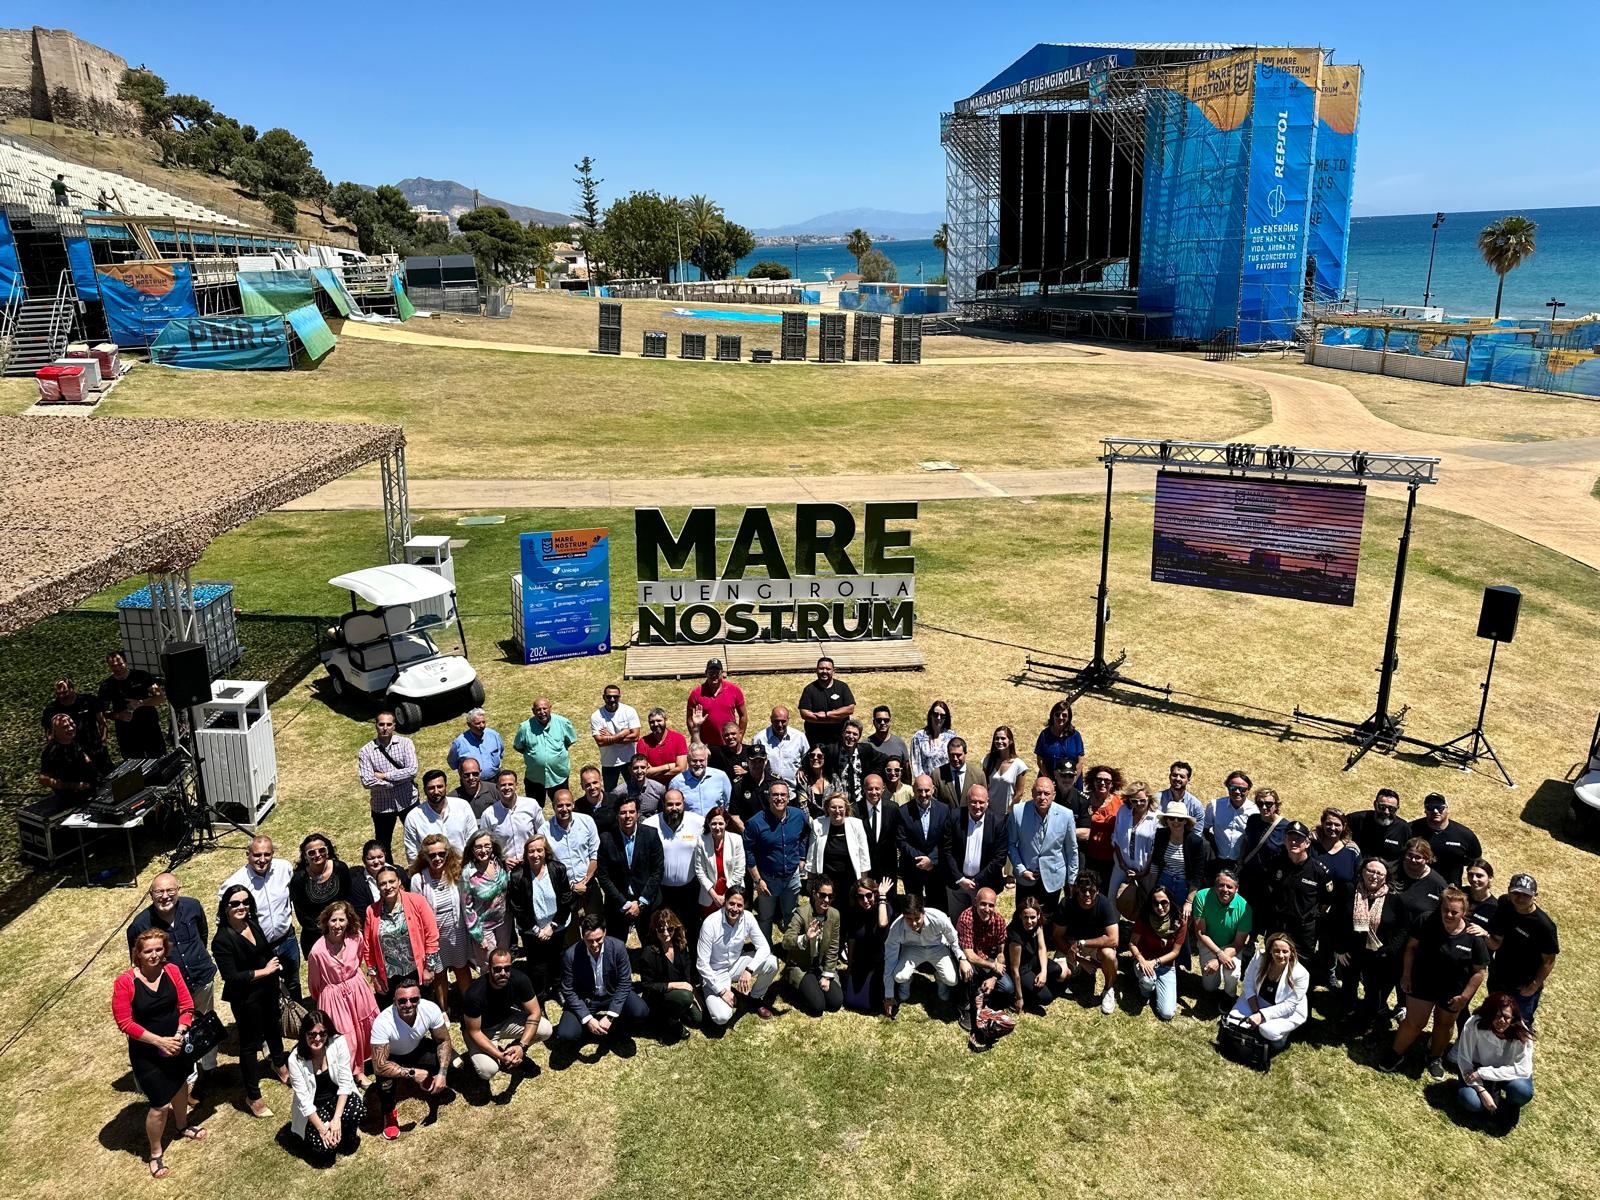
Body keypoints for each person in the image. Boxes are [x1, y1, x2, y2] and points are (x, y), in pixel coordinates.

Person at [112, 930, 203, 1178]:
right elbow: (125, 1022)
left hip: (175, 1043)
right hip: (147, 1053)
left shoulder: (171, 970)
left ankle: (182, 1125)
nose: (154, 955)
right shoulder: (125, 982)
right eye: (148, 951)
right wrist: (159, 1041)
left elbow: (186, 1006)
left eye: (158, 949)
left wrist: (180, 1032)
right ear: (138, 954)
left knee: (181, 1084)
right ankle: (155, 1153)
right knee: (160, 1104)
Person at [1383, 886, 1490, 1078]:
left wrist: (1464, 997)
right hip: (1422, 983)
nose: (1448, 915)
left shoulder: (1473, 937)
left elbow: (1479, 972)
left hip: (1452, 991)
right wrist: (1406, 975)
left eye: (1454, 912)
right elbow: (1411, 948)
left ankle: (1435, 1057)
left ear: (1464, 912)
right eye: (1445, 910)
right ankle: (1395, 1053)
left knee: (1444, 1025)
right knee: (1414, 1022)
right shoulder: (1426, 920)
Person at [127, 874, 218, 1084]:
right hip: (172, 990)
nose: (165, 896)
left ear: (178, 890)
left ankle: (210, 1068)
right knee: (180, 1031)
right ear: (151, 894)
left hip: (201, 977)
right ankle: (189, 1080)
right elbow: (138, 959)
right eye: (159, 891)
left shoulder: (193, 907)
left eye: (170, 890)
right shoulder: (140, 925)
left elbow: (202, 934)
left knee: (206, 1024)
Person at [211, 886, 288, 1119]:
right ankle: (253, 1096)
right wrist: (265, 971)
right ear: (225, 908)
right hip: (245, 998)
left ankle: (279, 1065)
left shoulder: (252, 924)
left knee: (273, 1028)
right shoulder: (222, 940)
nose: (241, 907)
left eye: (245, 902)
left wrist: (275, 972)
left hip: (268, 990)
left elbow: (265, 952)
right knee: (249, 1044)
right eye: (235, 903)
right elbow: (232, 976)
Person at [1332, 857, 1410, 1036]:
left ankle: (1368, 1022)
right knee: (1349, 985)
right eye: (1370, 871)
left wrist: (1390, 950)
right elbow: (1335, 919)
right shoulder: (1349, 891)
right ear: (1362, 872)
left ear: (1386, 877)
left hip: (1378, 955)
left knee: (1373, 991)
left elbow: (1404, 928)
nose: (1374, 876)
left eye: (1379, 873)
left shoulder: (1394, 899)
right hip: (1351, 952)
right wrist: (1339, 948)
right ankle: (1347, 1015)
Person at [369, 976, 452, 1139]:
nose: (408, 1004)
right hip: (392, 1057)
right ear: (394, 1001)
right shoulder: (383, 1022)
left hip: (418, 1049)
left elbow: (444, 1041)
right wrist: (413, 1073)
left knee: (450, 1063)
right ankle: (389, 1113)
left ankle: (432, 1081)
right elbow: (379, 1065)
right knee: (384, 1082)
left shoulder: (430, 1008)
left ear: (419, 998)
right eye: (402, 1001)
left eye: (414, 999)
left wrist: (442, 1073)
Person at [555, 915, 651, 1054]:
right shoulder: (571, 955)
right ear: (582, 937)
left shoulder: (618, 947)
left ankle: (617, 1026)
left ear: (605, 933)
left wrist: (611, 1015)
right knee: (566, 1033)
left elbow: (625, 982)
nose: (594, 945)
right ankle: (589, 1029)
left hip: (613, 994)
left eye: (599, 939)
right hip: (586, 999)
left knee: (640, 1011)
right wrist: (588, 1019)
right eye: (590, 941)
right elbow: (568, 990)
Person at [306, 900, 378, 1087]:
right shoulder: (317, 952)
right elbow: (314, 983)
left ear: (348, 921)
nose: (337, 925)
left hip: (357, 989)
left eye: (341, 920)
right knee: (346, 1037)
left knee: (365, 1028)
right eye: (333, 920)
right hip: (334, 997)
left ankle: (370, 1061)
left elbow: (359, 959)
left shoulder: (356, 938)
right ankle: (355, 1072)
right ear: (326, 922)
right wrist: (326, 998)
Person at [219, 836, 301, 999]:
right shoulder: (235, 883)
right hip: (260, 949)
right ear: (248, 854)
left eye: (267, 854)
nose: (262, 860)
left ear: (273, 853)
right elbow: (224, 919)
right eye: (257, 855)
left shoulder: (284, 868)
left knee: (293, 983)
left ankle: (297, 1014)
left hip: (287, 940)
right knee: (267, 990)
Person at [461, 948, 551, 1089]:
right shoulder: (474, 994)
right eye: (497, 969)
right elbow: (474, 1032)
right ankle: (497, 1055)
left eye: (507, 968)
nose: (503, 973)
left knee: (545, 1029)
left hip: (506, 1021)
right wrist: (500, 1056)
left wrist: (521, 1046)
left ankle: (514, 1051)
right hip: (482, 1031)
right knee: (488, 1070)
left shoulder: (520, 979)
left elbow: (535, 1012)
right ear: (489, 969)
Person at [286, 1010, 364, 1162]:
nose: (317, 1038)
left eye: (322, 1033)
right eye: (312, 1034)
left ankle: (346, 1136)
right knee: (324, 1150)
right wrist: (323, 1130)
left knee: (355, 1109)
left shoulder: (338, 1043)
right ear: (304, 1034)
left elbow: (345, 1083)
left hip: (338, 1100)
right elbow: (305, 1102)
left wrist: (336, 1119)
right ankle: (329, 1138)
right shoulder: (294, 1060)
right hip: (315, 1108)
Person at [1259, 820, 1334, 977]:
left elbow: (1325, 902)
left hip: (1302, 930)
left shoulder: (1318, 872)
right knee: (1273, 963)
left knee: (1300, 969)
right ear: (1284, 840)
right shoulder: (1276, 864)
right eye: (1290, 838)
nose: (1294, 842)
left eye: (1299, 839)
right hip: (1277, 925)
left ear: (1307, 843)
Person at [360, 864, 440, 1005]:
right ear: (378, 886)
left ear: (399, 882)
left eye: (391, 881)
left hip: (417, 970)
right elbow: (368, 948)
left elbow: (431, 935)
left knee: (422, 1008)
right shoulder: (371, 911)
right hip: (390, 975)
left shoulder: (417, 901)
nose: (388, 886)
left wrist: (429, 968)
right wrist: (375, 977)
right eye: (383, 883)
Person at [409, 834, 473, 1012]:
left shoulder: (456, 872)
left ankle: (470, 1006)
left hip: (456, 930)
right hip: (434, 937)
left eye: (441, 854)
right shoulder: (418, 880)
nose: (437, 858)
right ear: (425, 857)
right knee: (439, 973)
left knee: (462, 969)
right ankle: (444, 1010)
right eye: (432, 855)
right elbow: (417, 913)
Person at [1486, 874, 1558, 1027]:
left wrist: (1534, 985)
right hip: (1498, 978)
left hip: (1522, 988)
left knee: (1519, 1025)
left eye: (1526, 894)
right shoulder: (1504, 903)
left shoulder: (1544, 926)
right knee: (1494, 1017)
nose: (1520, 898)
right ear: (1509, 891)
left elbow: (1549, 960)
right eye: (1516, 893)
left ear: (1535, 896)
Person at [1224, 931, 1311, 1057]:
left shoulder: (1301, 974)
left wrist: (1262, 1015)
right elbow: (1248, 983)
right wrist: (1255, 1011)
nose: (1281, 955)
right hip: (1257, 1001)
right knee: (1232, 1020)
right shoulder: (1259, 958)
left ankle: (1282, 1037)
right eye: (1276, 951)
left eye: (1285, 951)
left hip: (1284, 1010)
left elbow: (1290, 1005)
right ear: (1270, 950)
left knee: (1267, 1031)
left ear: (1291, 952)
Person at [1454, 993, 1535, 1127]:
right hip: (1475, 1069)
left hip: (1506, 1072)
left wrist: (1483, 1073)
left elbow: (1523, 1070)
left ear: (1513, 1018)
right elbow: (1464, 1060)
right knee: (1471, 1102)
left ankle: (1510, 1106)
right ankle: (1485, 1103)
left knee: (1522, 1091)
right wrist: (1481, 1090)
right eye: (1497, 1016)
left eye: (1507, 1017)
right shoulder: (1474, 1024)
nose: (1501, 1021)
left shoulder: (1522, 1034)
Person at [883, 894, 969, 1017]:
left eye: (917, 918)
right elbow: (890, 960)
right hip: (912, 949)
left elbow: (953, 940)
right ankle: (907, 981)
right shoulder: (896, 928)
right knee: (899, 976)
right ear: (903, 915)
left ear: (923, 912)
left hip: (937, 947)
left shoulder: (939, 917)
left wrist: (962, 958)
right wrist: (889, 995)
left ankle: (939, 978)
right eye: (909, 919)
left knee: (952, 980)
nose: (914, 923)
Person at [745, 780, 809, 941]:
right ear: (769, 798)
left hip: (792, 877)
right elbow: (748, 852)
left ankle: (790, 947)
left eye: (783, 795)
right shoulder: (755, 823)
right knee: (765, 918)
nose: (779, 798)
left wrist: (802, 856)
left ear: (788, 797)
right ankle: (766, 950)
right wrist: (757, 880)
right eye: (775, 795)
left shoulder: (798, 816)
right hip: (767, 880)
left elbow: (805, 835)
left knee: (791, 914)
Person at [1050, 874, 1121, 1015]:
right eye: (1083, 890)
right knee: (1060, 975)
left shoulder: (1104, 904)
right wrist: (1080, 960)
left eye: (1091, 890)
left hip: (1094, 945)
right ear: (1077, 889)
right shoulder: (1066, 904)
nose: (1087, 894)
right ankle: (1076, 968)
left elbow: (1114, 939)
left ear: (1097, 891)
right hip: (1070, 945)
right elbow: (1057, 936)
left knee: (1110, 955)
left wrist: (1082, 943)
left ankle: (1108, 989)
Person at [288, 832, 362, 957]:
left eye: (321, 850)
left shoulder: (340, 869)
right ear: (305, 856)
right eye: (311, 852)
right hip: (315, 938)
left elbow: (349, 900)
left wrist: (342, 927)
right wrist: (326, 933)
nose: (317, 855)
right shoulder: (299, 880)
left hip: (342, 931)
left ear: (328, 851)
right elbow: (303, 915)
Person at [357, 711, 418, 860]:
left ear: (394, 726)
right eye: (381, 724)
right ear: (376, 726)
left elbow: (412, 770)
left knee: (418, 838)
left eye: (389, 724)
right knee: (383, 845)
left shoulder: (406, 743)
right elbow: (367, 781)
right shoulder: (366, 751)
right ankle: (388, 872)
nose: (385, 728)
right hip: (382, 806)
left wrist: (385, 776)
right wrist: (398, 781)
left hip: (408, 800)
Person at [943, 784, 1008, 922]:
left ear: (987, 802)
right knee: (957, 922)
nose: (977, 806)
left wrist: (976, 880)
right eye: (973, 801)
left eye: (981, 802)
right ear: (967, 801)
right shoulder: (954, 816)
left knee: (982, 923)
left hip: (984, 884)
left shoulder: (998, 822)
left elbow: (999, 858)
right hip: (957, 884)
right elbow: (947, 850)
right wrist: (960, 879)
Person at [1187, 870, 1253, 1004]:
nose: (1225, 890)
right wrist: (1219, 953)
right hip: (1208, 943)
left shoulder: (1245, 908)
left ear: (1236, 889)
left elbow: (1239, 943)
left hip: (1231, 946)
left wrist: (1219, 959)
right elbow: (1200, 933)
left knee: (1233, 974)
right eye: (1221, 885)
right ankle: (1215, 979)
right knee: (1209, 987)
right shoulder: (1202, 896)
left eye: (1230, 887)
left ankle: (1229, 996)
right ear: (1215, 886)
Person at [645, 788, 705, 935]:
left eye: (678, 804)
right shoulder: (650, 825)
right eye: (670, 804)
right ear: (663, 805)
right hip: (661, 891)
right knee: (664, 930)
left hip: (690, 889)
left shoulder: (698, 823)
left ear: (684, 804)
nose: (674, 808)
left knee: (692, 930)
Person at [637, 908, 702, 1041]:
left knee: (697, 1019)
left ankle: (678, 1009)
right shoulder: (648, 953)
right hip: (659, 996)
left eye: (670, 929)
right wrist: (677, 986)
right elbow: (647, 986)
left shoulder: (680, 945)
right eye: (661, 929)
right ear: (655, 930)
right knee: (685, 997)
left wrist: (694, 994)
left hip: (680, 992)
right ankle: (668, 1020)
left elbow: (687, 974)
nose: (666, 933)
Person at [783, 879, 844, 1016]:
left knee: (835, 1002)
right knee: (818, 1006)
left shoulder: (834, 915)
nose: (826, 900)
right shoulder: (801, 913)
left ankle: (813, 986)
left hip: (820, 966)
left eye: (830, 896)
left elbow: (833, 947)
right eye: (823, 895)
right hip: (802, 966)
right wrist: (805, 938)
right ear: (814, 894)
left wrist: (827, 975)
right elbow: (786, 942)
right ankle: (795, 986)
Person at [1129, 886, 1188, 1021]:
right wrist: (1141, 960)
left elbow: (1175, 952)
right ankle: (1145, 992)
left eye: (1164, 902)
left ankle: (1154, 986)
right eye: (1155, 903)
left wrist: (1155, 962)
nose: (1160, 907)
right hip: (1144, 960)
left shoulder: (1180, 921)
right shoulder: (1144, 917)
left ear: (1170, 901)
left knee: (1167, 1013)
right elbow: (1132, 943)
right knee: (1147, 981)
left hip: (1166, 966)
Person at [957, 887, 1009, 1030]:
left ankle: (985, 998)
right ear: (975, 902)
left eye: (991, 905)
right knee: (968, 972)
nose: (987, 909)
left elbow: (1001, 954)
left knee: (1008, 988)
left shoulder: (999, 921)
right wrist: (993, 966)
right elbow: (970, 955)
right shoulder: (966, 918)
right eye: (983, 904)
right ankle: (965, 1006)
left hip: (987, 958)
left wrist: (993, 978)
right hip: (969, 959)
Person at [98, 650, 167, 760]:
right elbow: (102, 713)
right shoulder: (106, 686)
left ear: (126, 662)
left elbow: (160, 698)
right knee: (134, 764)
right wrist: (118, 715)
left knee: (159, 760)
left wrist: (141, 703)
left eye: (120, 664)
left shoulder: (142, 676)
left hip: (150, 727)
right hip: (126, 732)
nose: (117, 669)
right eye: (113, 666)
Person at [1003, 893, 1065, 1013]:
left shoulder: (1038, 924)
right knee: (1047, 998)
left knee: (1057, 970)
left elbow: (1042, 948)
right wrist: (1019, 997)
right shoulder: (1015, 937)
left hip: (1032, 959)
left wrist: (1043, 972)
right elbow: (1014, 969)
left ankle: (1036, 983)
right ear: (1020, 916)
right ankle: (1024, 995)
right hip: (1021, 968)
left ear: (1038, 915)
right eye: (1025, 917)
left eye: (1032, 917)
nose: (1029, 921)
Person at [460, 831, 512, 971]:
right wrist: (478, 936)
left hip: (504, 922)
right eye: (478, 847)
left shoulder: (499, 863)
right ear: (472, 849)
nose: (483, 850)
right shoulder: (468, 874)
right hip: (484, 927)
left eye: (487, 845)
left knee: (504, 961)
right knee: (489, 965)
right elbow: (467, 909)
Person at [807, 790, 871, 903]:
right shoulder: (818, 824)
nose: (837, 811)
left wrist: (863, 880)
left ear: (846, 809)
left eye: (840, 807)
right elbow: (812, 855)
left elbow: (864, 855)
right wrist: (810, 880)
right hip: (826, 881)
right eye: (833, 807)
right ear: (827, 809)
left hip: (850, 879)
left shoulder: (856, 824)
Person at [897, 773, 952, 904]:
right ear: (913, 790)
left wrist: (932, 860)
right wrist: (921, 858)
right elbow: (901, 840)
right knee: (913, 906)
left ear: (933, 789)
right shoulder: (903, 811)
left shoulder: (944, 810)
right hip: (912, 867)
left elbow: (947, 839)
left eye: (927, 790)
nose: (923, 794)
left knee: (936, 905)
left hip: (936, 868)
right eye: (919, 790)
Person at [840, 875, 892, 1013]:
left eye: (869, 895)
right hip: (862, 960)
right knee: (850, 1001)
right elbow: (851, 939)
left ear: (875, 894)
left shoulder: (884, 907)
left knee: (870, 1004)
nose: (865, 900)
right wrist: (850, 964)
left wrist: (882, 896)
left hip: (880, 962)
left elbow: (882, 923)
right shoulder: (854, 912)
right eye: (860, 897)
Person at [547, 786, 601, 917]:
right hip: (564, 890)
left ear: (573, 804)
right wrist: (572, 887)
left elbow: (595, 855)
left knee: (596, 924)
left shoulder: (587, 821)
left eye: (568, 805)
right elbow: (548, 864)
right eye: (560, 805)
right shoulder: (545, 830)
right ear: (553, 806)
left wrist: (584, 882)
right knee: (570, 928)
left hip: (588, 883)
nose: (564, 809)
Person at [403, 769, 478, 861]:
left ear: (446, 787)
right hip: (432, 868)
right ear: (424, 790)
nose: (436, 791)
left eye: (440, 787)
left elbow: (473, 839)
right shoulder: (413, 817)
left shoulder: (462, 806)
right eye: (431, 788)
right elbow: (412, 853)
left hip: (463, 864)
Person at [513, 697, 577, 804]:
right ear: (533, 711)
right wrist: (534, 756)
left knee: (562, 806)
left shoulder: (563, 723)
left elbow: (569, 741)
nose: (542, 712)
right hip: (534, 779)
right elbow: (518, 746)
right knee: (534, 808)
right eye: (538, 710)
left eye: (544, 708)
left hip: (558, 777)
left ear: (550, 708)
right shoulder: (524, 728)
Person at [1409, 793, 1482, 886]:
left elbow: (1476, 863)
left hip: (1449, 889)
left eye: (1440, 808)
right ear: (1425, 810)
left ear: (1447, 809)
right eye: (1430, 807)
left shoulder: (1465, 835)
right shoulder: (1410, 830)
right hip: (1415, 886)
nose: (1435, 811)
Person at [477, 768, 545, 867]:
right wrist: (502, 859)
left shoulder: (531, 805)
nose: (507, 787)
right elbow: (484, 844)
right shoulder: (488, 814)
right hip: (505, 867)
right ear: (497, 787)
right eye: (503, 785)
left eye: (510, 784)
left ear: (516, 785)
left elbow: (543, 834)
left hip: (531, 864)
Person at [41, 677, 109, 773]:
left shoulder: (88, 700)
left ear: (72, 689)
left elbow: (102, 722)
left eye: (65, 692)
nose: (62, 696)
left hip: (96, 748)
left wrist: (103, 742)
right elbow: (49, 736)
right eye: (58, 693)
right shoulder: (51, 710)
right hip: (73, 754)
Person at [1150, 800, 1206, 909]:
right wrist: (1151, 889)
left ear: (1185, 821)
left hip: (1184, 885)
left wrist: (1189, 901)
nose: (1176, 821)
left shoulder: (1195, 841)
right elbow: (1155, 863)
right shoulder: (1161, 835)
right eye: (1172, 818)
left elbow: (1197, 874)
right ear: (1167, 820)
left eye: (1180, 819)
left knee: (1181, 915)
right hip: (1163, 881)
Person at [1108, 782, 1158, 902]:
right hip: (1121, 868)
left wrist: (1144, 872)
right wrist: (1122, 865)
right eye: (1134, 801)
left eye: (1142, 800)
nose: (1138, 804)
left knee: (1144, 904)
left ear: (1149, 798)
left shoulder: (1157, 818)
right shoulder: (1123, 811)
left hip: (1146, 872)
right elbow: (1116, 839)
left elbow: (1156, 849)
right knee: (1113, 900)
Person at [693, 805, 746, 917]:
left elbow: (739, 871)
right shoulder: (701, 841)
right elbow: (700, 871)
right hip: (710, 894)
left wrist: (726, 896)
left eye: (720, 823)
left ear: (726, 823)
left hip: (732, 893)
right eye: (714, 824)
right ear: (708, 823)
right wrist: (714, 895)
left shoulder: (736, 840)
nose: (717, 827)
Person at [1077, 765, 1124, 889]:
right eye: (1099, 780)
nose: (1102, 783)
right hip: (1087, 857)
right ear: (1093, 781)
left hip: (1111, 858)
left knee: (1106, 892)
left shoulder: (1120, 802)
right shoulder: (1083, 800)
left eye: (1107, 781)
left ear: (1112, 784)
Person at [824, 718, 885, 808]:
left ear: (859, 737)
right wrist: (803, 768)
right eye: (848, 732)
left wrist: (873, 775)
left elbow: (883, 759)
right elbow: (814, 755)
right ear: (843, 733)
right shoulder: (832, 750)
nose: (851, 736)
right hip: (840, 803)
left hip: (861, 801)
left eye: (855, 734)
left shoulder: (865, 750)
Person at [38, 713, 100, 802]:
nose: (71, 728)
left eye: (71, 724)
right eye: (65, 727)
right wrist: (73, 785)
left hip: (89, 790)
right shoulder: (51, 752)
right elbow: (43, 779)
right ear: (55, 732)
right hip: (70, 798)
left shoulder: (74, 741)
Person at [1202, 772, 1258, 872]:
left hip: (1242, 864)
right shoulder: (1215, 806)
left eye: (1242, 789)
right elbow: (1204, 829)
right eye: (1233, 788)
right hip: (1217, 861)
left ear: (1248, 790)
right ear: (1227, 787)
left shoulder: (1255, 811)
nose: (1237, 792)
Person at [856, 772, 900, 896]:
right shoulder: (855, 810)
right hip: (865, 867)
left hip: (887, 867)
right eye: (870, 789)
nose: (874, 792)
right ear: (864, 789)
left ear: (883, 788)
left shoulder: (893, 808)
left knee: (888, 901)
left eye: (877, 789)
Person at [590, 684, 641, 792]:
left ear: (619, 697)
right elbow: (600, 742)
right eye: (609, 697)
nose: (612, 699)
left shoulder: (629, 711)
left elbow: (635, 736)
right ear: (604, 697)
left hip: (629, 760)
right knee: (610, 794)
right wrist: (622, 734)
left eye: (615, 697)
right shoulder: (596, 716)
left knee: (635, 790)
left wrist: (609, 737)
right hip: (609, 762)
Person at [687, 657, 746, 745]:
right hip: (706, 745)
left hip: (729, 742)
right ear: (706, 673)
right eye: (711, 672)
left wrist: (740, 736)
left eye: (717, 672)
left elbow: (743, 715)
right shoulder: (696, 694)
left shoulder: (734, 690)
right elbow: (690, 719)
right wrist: (697, 740)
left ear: (722, 673)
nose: (714, 675)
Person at [797, 655, 854, 747]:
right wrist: (832, 720)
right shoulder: (809, 689)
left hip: (839, 739)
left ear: (833, 671)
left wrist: (827, 714)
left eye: (828, 669)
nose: (824, 671)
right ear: (816, 670)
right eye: (821, 668)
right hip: (815, 739)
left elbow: (850, 709)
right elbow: (804, 714)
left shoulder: (842, 687)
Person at [1032, 699, 1084, 796]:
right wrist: (1049, 781)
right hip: (1050, 783)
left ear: (1069, 717)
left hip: (1072, 783)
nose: (1060, 717)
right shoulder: (1044, 735)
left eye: (1064, 715)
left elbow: (1080, 762)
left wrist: (1072, 781)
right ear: (1052, 715)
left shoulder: (1075, 736)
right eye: (1057, 714)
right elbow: (1040, 760)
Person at [1393, 837, 1449, 927]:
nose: (1413, 860)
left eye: (1418, 857)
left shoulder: (1438, 884)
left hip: (1418, 931)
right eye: (1410, 855)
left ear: (1427, 858)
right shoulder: (1392, 871)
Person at [1348, 787, 1409, 869]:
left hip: (1388, 873)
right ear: (1375, 804)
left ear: (1397, 808)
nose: (1386, 812)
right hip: (1356, 868)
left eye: (1391, 809)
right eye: (1382, 807)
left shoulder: (1403, 828)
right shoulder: (1356, 819)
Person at [670, 741, 732, 817]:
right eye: (694, 761)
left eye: (701, 760)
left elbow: (729, 803)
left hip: (715, 823)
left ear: (707, 760)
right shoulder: (676, 782)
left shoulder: (721, 777)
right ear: (688, 761)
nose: (698, 764)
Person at [982, 725, 1030, 815]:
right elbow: (984, 785)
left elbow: (1019, 793)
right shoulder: (988, 760)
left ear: (1010, 741)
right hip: (990, 811)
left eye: (1003, 738)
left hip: (1008, 813)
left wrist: (1009, 810)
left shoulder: (1019, 765)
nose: (999, 741)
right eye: (997, 738)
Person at [638, 706, 691, 785]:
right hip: (653, 785)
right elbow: (644, 771)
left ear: (665, 720)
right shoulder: (643, 742)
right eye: (652, 722)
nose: (656, 724)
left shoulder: (678, 738)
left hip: (676, 783)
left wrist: (654, 773)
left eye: (659, 720)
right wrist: (668, 766)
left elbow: (681, 769)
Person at [446, 708, 504, 778]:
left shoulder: (494, 735)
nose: (482, 725)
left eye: (483, 722)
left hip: (495, 779)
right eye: (478, 723)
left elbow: (501, 753)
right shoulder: (460, 742)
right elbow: (452, 762)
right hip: (472, 782)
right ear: (469, 724)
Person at [933, 737, 984, 812]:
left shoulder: (978, 775)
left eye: (958, 755)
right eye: (952, 755)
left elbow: (984, 800)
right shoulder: (937, 774)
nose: (955, 758)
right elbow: (933, 802)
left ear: (965, 753)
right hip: (946, 818)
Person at [612, 752, 667, 819]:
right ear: (630, 769)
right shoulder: (618, 792)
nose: (639, 771)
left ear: (647, 768)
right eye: (635, 768)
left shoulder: (659, 789)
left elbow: (663, 814)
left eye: (643, 767)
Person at [910, 699, 956, 778]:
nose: (938, 718)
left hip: (947, 781)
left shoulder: (951, 736)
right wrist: (923, 782)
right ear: (930, 715)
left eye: (942, 716)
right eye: (935, 714)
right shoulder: (919, 737)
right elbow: (916, 764)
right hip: (926, 782)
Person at [793, 744, 837, 817]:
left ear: (825, 758)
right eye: (812, 755)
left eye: (819, 756)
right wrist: (812, 823)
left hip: (831, 819)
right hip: (811, 821)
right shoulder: (803, 780)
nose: (815, 758)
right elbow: (803, 807)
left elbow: (840, 801)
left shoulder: (834, 779)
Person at [352, 840, 389, 911]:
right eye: (371, 858)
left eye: (380, 857)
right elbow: (362, 912)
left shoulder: (399, 872)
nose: (376, 861)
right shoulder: (357, 885)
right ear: (364, 860)